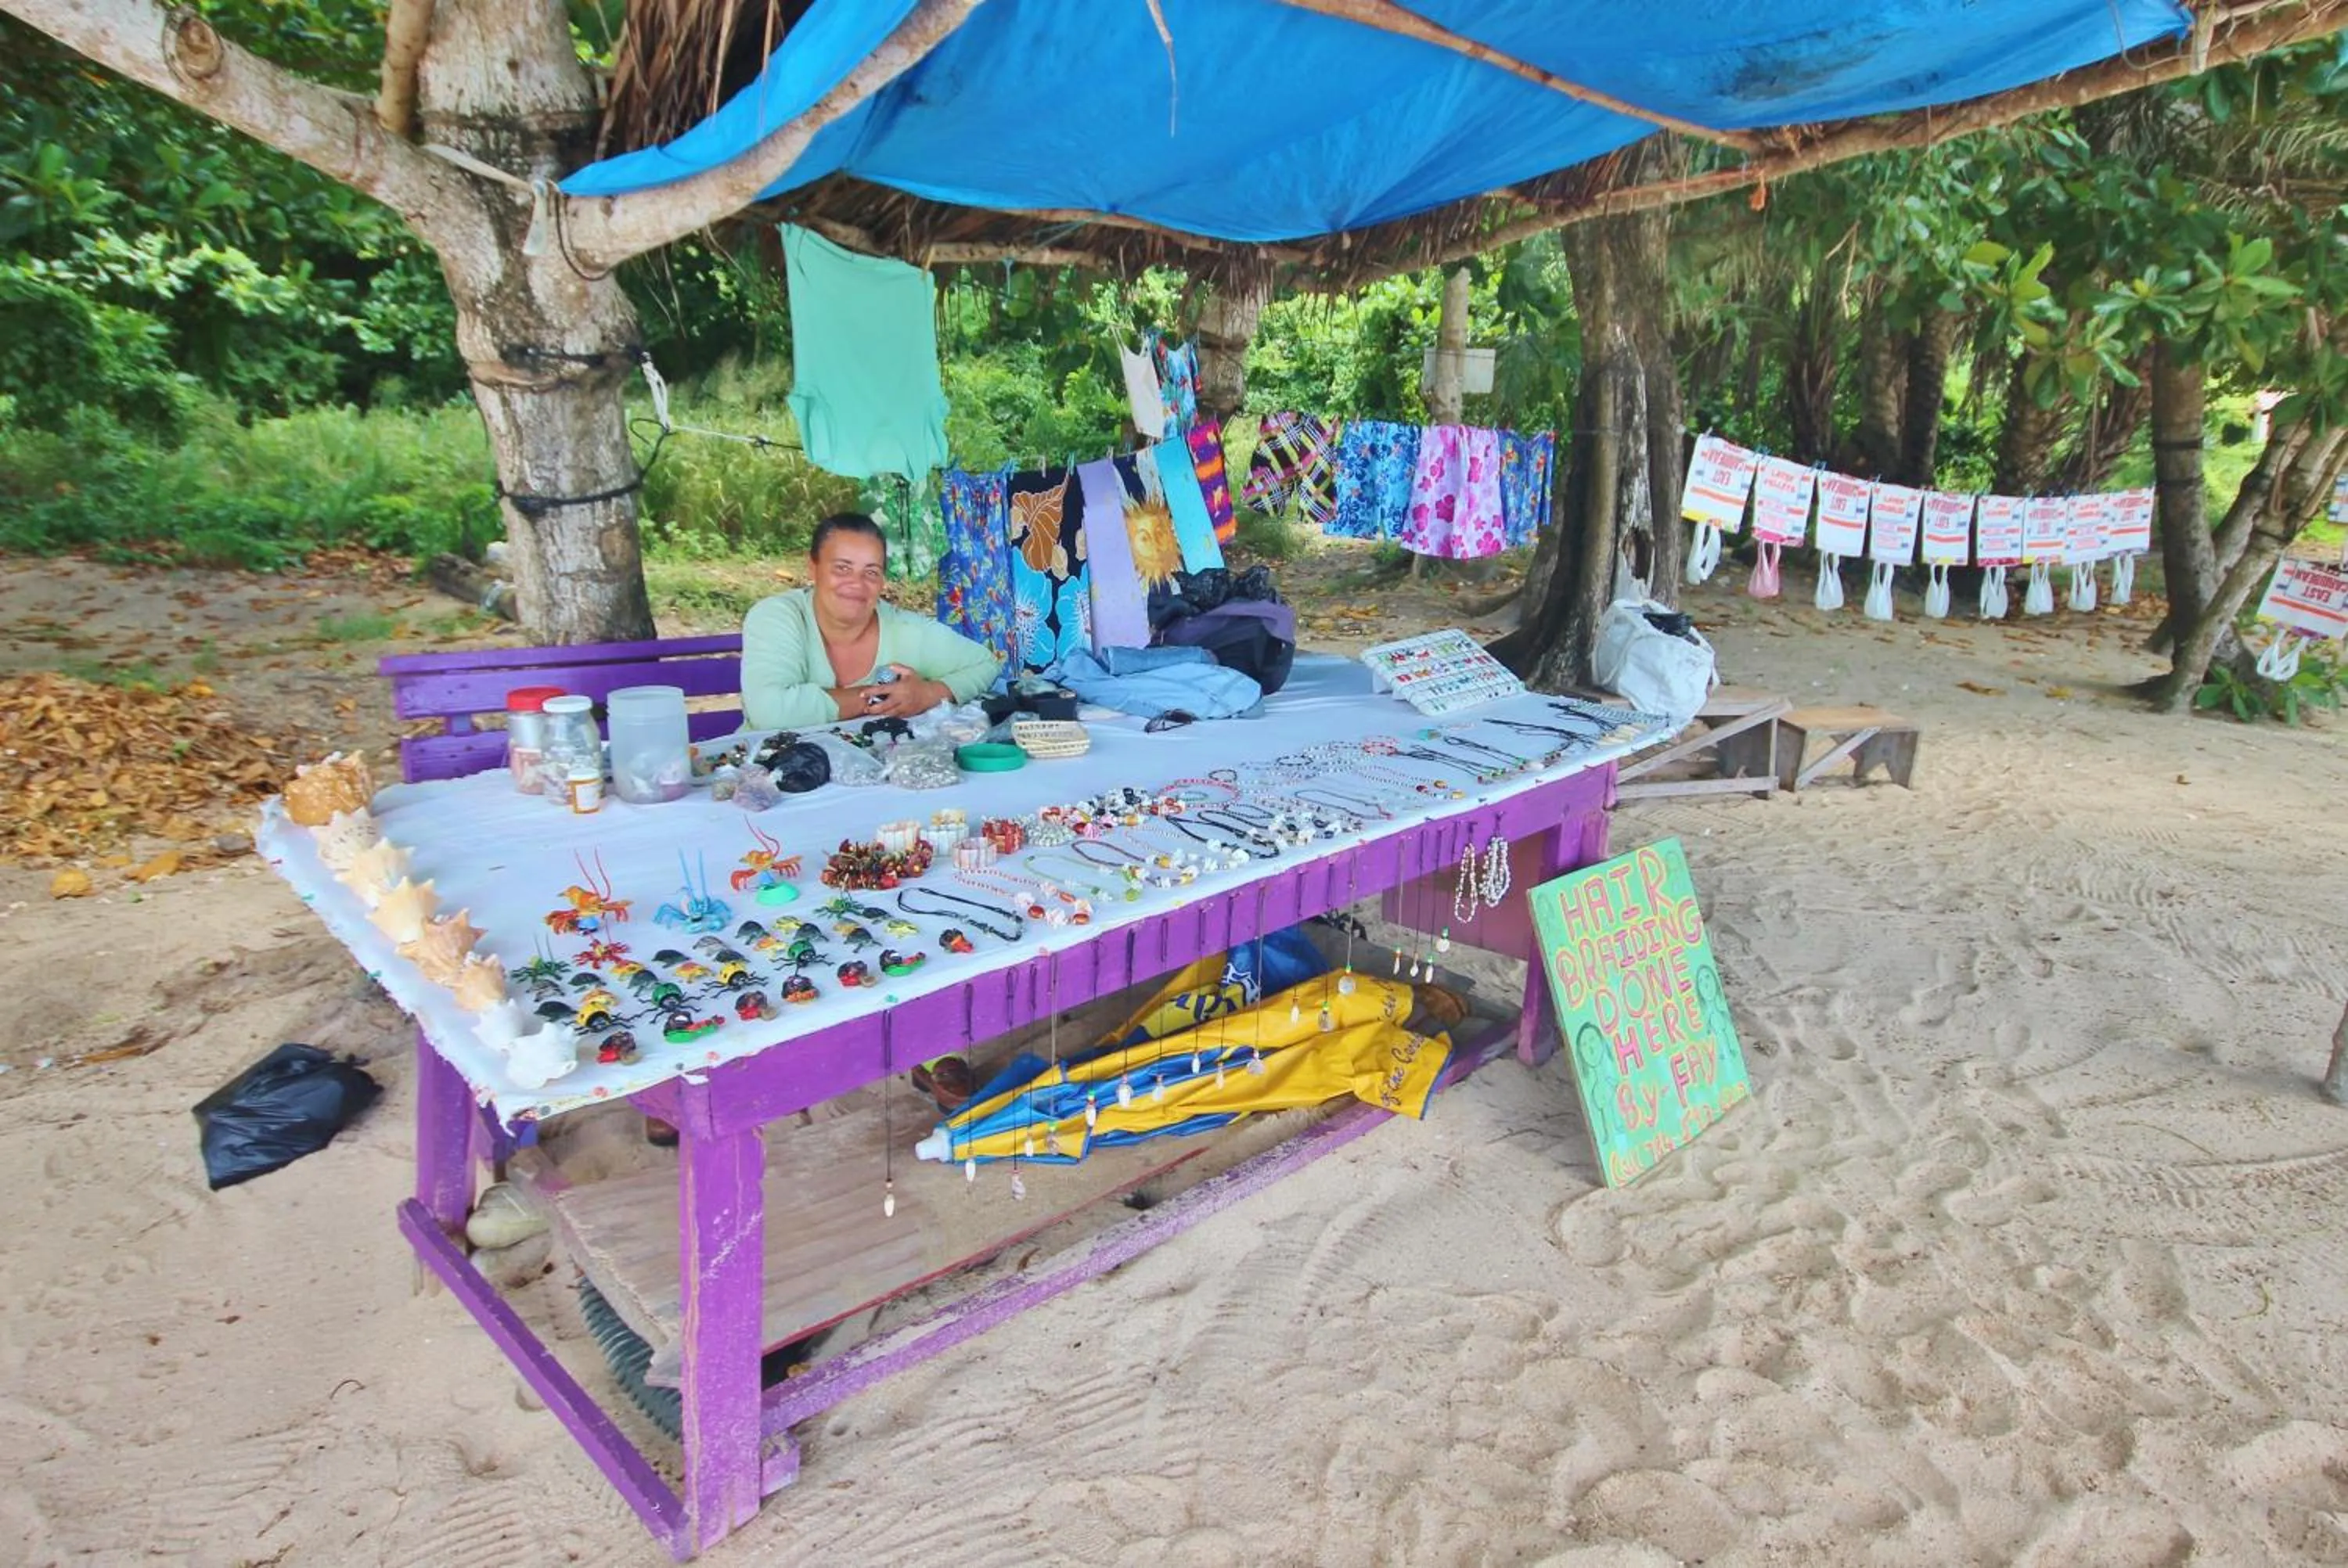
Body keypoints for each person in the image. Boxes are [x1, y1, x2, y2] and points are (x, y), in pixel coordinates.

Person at [741, 512, 1003, 730]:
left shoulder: (905, 630)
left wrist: (927, 695)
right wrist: (881, 698)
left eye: (871, 572)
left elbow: (984, 663)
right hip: (765, 778)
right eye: (842, 568)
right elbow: (772, 712)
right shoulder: (778, 616)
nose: (856, 584)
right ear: (813, 568)